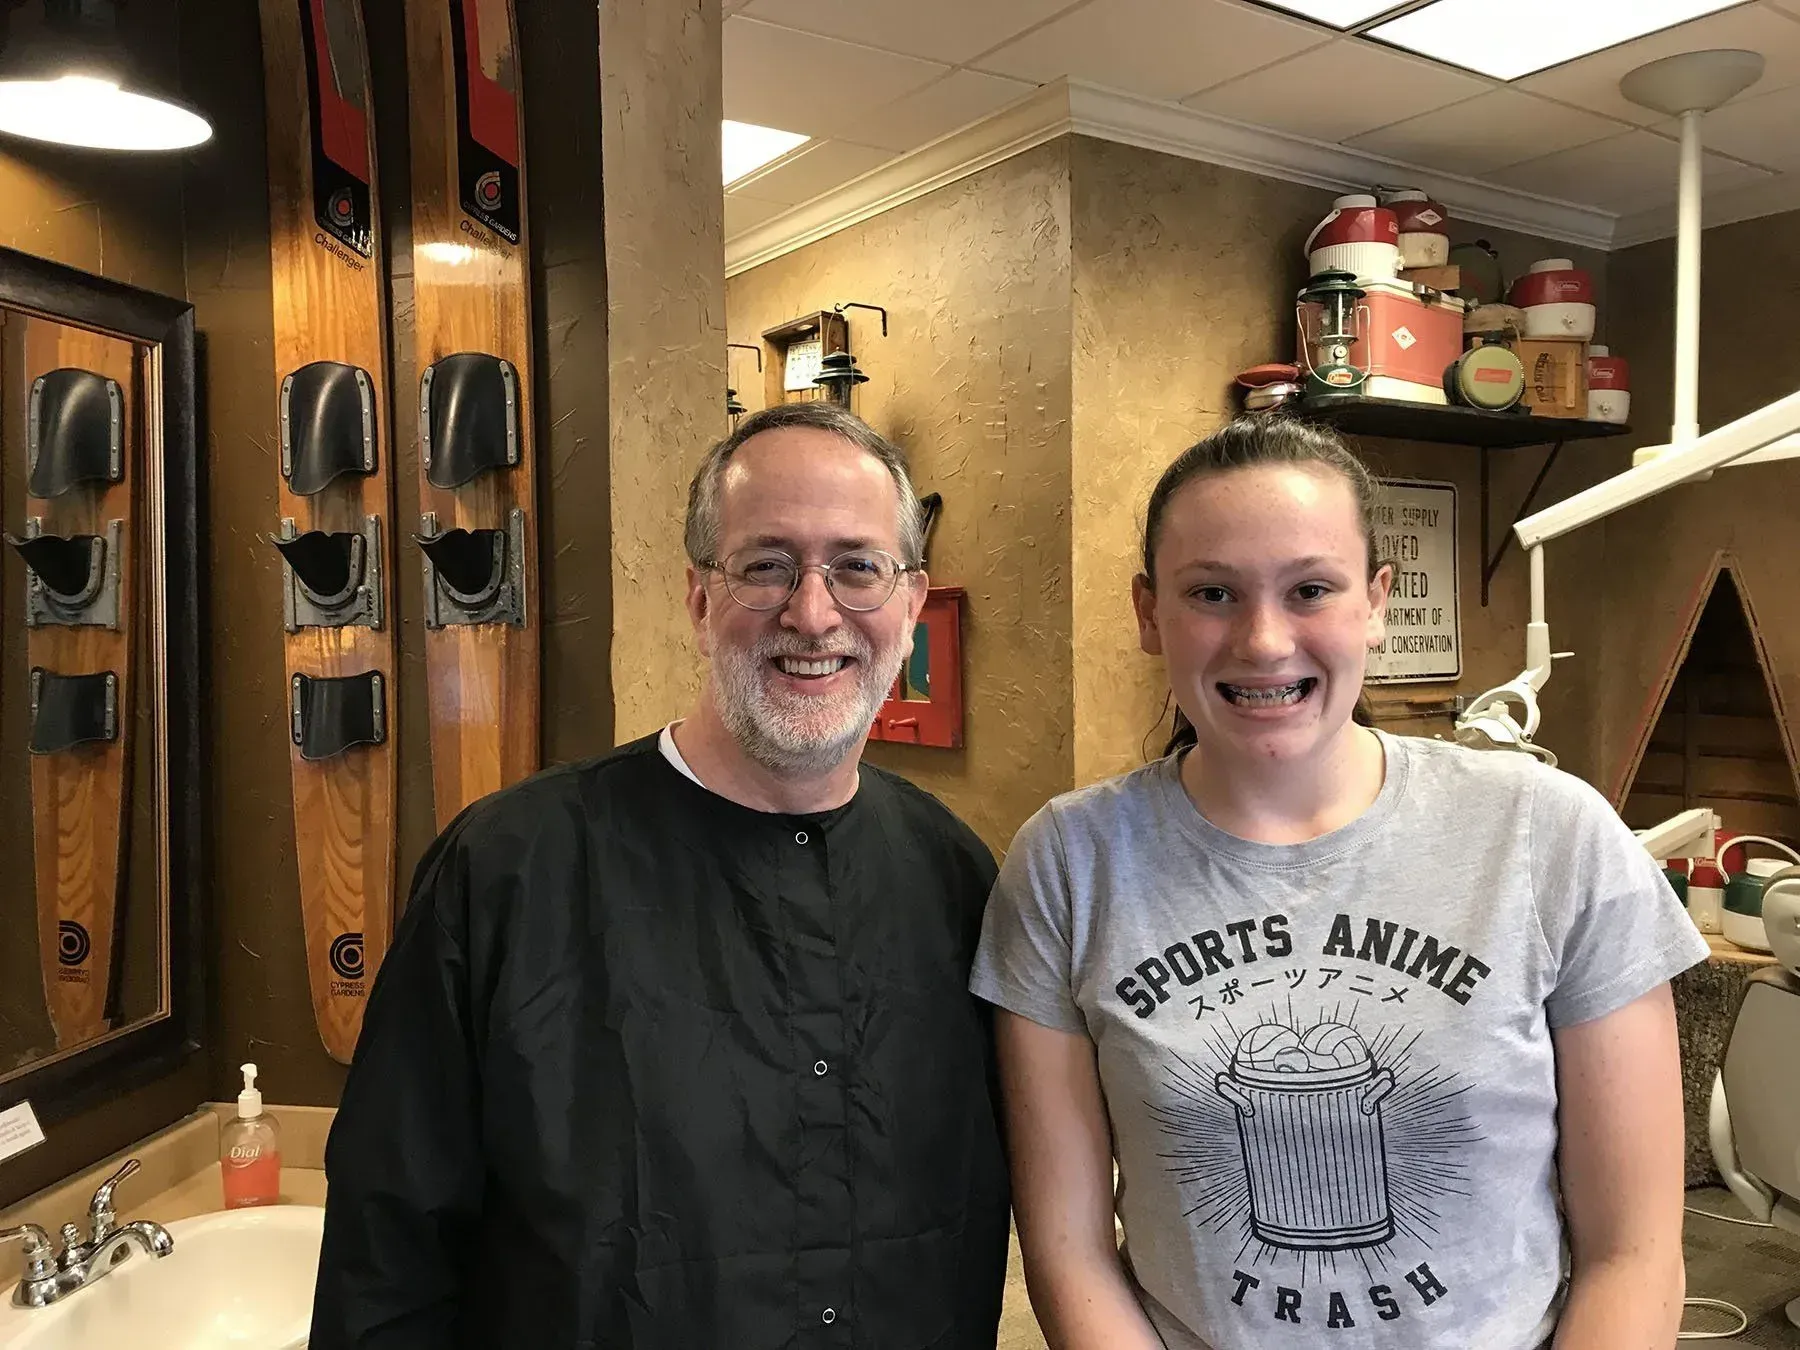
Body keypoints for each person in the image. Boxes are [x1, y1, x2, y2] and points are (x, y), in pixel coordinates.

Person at [971, 415, 1707, 1350]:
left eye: (1311, 589)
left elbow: (1635, 1254)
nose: (1265, 640)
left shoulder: (1549, 836)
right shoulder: (1070, 864)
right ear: (1150, 614)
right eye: (1212, 594)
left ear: (1377, 602)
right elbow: (1070, 1251)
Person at [311, 401, 1011, 1348]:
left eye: (857, 566)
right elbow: (384, 1260)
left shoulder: (958, 878)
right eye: (765, 565)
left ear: (911, 603)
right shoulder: (511, 870)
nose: (813, 613)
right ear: (697, 599)